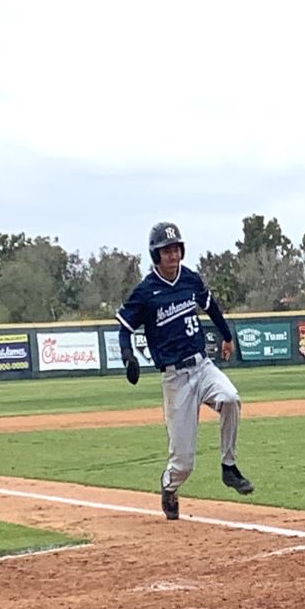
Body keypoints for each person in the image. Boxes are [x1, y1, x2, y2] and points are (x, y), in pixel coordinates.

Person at [116, 222, 254, 520]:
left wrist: (227, 337)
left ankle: (229, 467)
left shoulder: (190, 279)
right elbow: (124, 328)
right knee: (183, 463)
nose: (173, 255)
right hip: (175, 378)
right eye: (166, 250)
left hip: (202, 365)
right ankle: (169, 486)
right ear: (156, 254)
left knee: (230, 398)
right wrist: (129, 357)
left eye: (176, 248)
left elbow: (212, 307)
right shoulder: (145, 292)